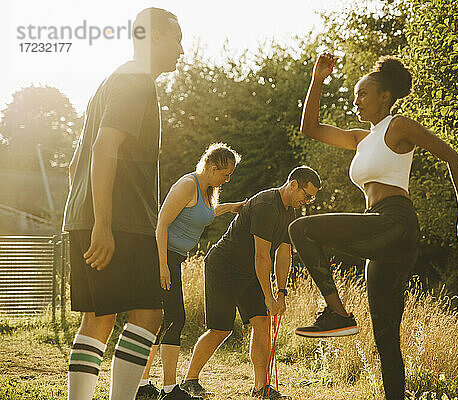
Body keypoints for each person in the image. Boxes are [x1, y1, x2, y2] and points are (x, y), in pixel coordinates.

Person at [289, 53, 458, 399]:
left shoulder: (399, 126)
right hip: (377, 228)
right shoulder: (360, 139)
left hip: (396, 221)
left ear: (385, 96)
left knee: (301, 230)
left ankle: (336, 313)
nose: (356, 101)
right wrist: (318, 79)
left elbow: (451, 156)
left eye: (362, 94)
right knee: (386, 340)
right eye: (353, 96)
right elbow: (311, 129)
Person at [62, 8, 183, 400]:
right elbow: (103, 146)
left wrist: (88, 216)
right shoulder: (136, 82)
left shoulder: (110, 82)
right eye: (177, 39)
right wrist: (103, 223)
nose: (182, 49)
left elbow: (75, 163)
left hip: (92, 215)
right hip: (120, 221)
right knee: (148, 313)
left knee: (99, 318)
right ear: (156, 37)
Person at [179, 166, 321, 400]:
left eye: (311, 198)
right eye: (306, 195)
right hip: (224, 267)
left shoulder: (289, 213)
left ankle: (260, 387)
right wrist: (268, 296)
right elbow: (262, 256)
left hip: (249, 271)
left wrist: (281, 293)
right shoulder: (266, 205)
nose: (306, 201)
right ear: (293, 184)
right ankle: (190, 380)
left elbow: (284, 254)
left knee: (262, 322)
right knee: (220, 329)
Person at [136, 143, 245, 400]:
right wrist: (163, 265)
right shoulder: (188, 185)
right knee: (174, 317)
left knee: (163, 320)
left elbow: (203, 215)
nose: (227, 179)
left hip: (173, 258)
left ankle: (142, 385)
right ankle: (169, 389)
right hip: (161, 257)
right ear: (212, 166)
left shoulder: (208, 192)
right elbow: (161, 223)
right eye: (225, 174)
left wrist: (229, 207)